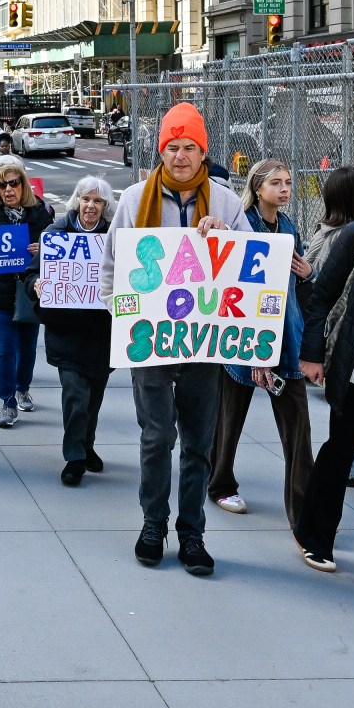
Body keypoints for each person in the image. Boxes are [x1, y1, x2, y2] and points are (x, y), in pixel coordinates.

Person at [101, 102, 251, 577]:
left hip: (205, 345)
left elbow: (251, 269)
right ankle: (153, 523)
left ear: (203, 152)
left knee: (198, 443)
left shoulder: (226, 201)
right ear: (160, 150)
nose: (181, 155)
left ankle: (192, 532)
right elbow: (111, 270)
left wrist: (228, 238)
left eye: (190, 147)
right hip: (151, 342)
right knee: (156, 436)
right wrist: (124, 315)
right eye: (172, 146)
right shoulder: (133, 200)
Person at [207, 160, 314, 525]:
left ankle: (305, 512)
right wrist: (254, 349)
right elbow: (238, 288)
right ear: (257, 187)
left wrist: (308, 274)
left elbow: (292, 287)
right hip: (243, 341)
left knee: (299, 430)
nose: (284, 189)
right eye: (276, 183)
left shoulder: (288, 227)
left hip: (287, 341)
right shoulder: (243, 225)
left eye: (288, 182)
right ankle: (220, 485)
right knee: (228, 421)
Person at [31, 176, 115, 484]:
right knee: (75, 397)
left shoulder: (114, 238)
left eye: (98, 201)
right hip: (66, 331)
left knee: (93, 398)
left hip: (102, 333)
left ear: (106, 207)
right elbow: (31, 274)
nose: (91, 206)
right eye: (86, 199)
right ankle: (75, 458)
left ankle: (86, 445)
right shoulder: (55, 235)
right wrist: (36, 285)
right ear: (77, 201)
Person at [303, 166, 354, 487]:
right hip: (346, 343)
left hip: (340, 340)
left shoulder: (330, 233)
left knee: (346, 419)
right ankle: (347, 466)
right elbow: (323, 290)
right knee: (347, 418)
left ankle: (347, 465)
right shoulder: (348, 235)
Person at [0, 157, 51, 428]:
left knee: (28, 348)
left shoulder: (39, 212)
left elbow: (55, 246)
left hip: (30, 292)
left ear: (23, 185)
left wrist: (43, 250)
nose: (9, 190)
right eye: (2, 186)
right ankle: (7, 402)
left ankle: (23, 388)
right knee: (6, 348)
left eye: (14, 183)